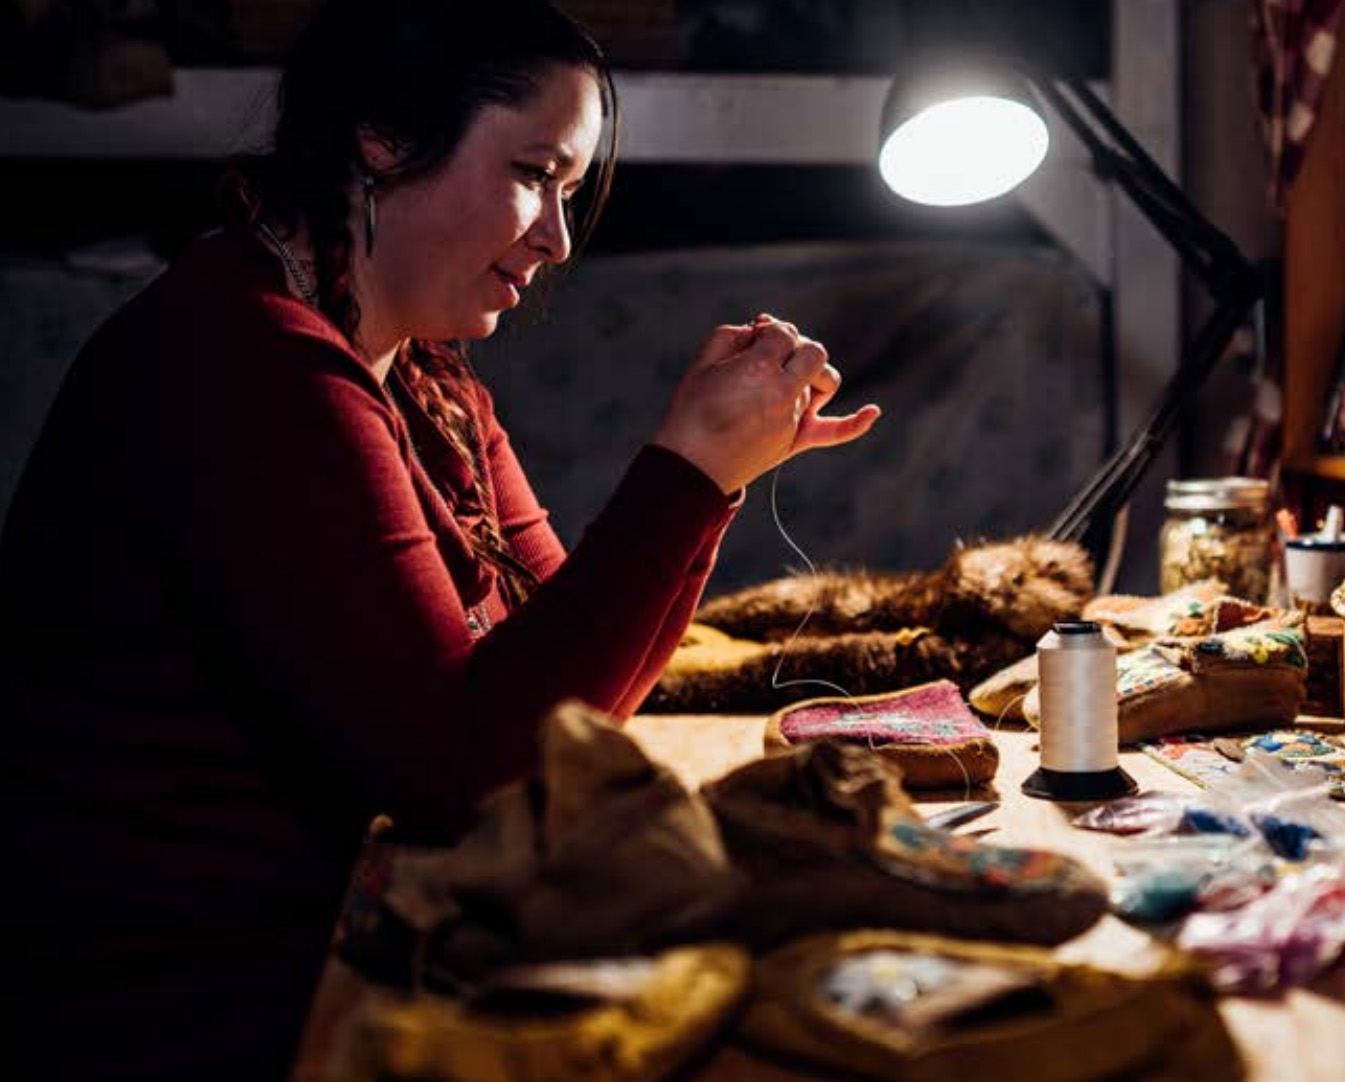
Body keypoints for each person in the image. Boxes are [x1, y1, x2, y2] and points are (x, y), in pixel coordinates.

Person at [0, 1, 879, 1078]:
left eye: (569, 190)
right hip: (178, 1005)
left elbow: (569, 703)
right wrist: (686, 473)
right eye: (534, 174)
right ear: (383, 138)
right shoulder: (250, 365)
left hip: (334, 944)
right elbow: (473, 770)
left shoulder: (422, 376)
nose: (557, 237)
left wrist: (714, 478)